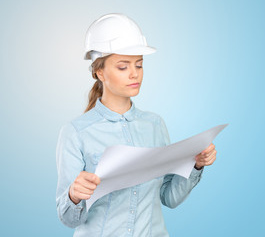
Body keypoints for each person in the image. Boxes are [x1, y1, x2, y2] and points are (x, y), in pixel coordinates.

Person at [55, 13, 217, 237]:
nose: (134, 74)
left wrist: (196, 166)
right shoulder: (76, 132)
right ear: (99, 71)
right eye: (123, 67)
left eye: (139, 65)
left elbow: (168, 198)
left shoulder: (154, 125)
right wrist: (74, 195)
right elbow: (68, 218)